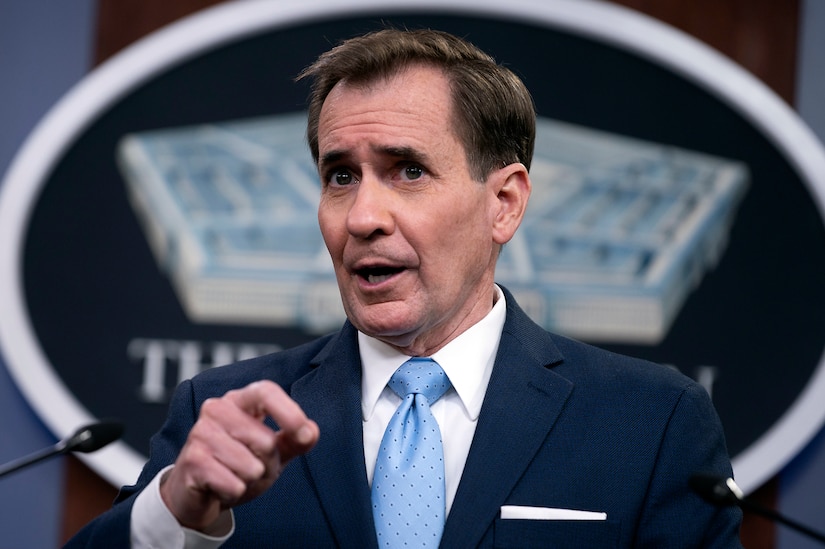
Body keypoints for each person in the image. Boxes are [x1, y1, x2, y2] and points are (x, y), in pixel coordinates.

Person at [65, 28, 742, 548]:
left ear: (503, 202)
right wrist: (177, 503)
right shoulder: (223, 415)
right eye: (340, 176)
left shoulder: (652, 423)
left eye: (408, 171)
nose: (362, 217)